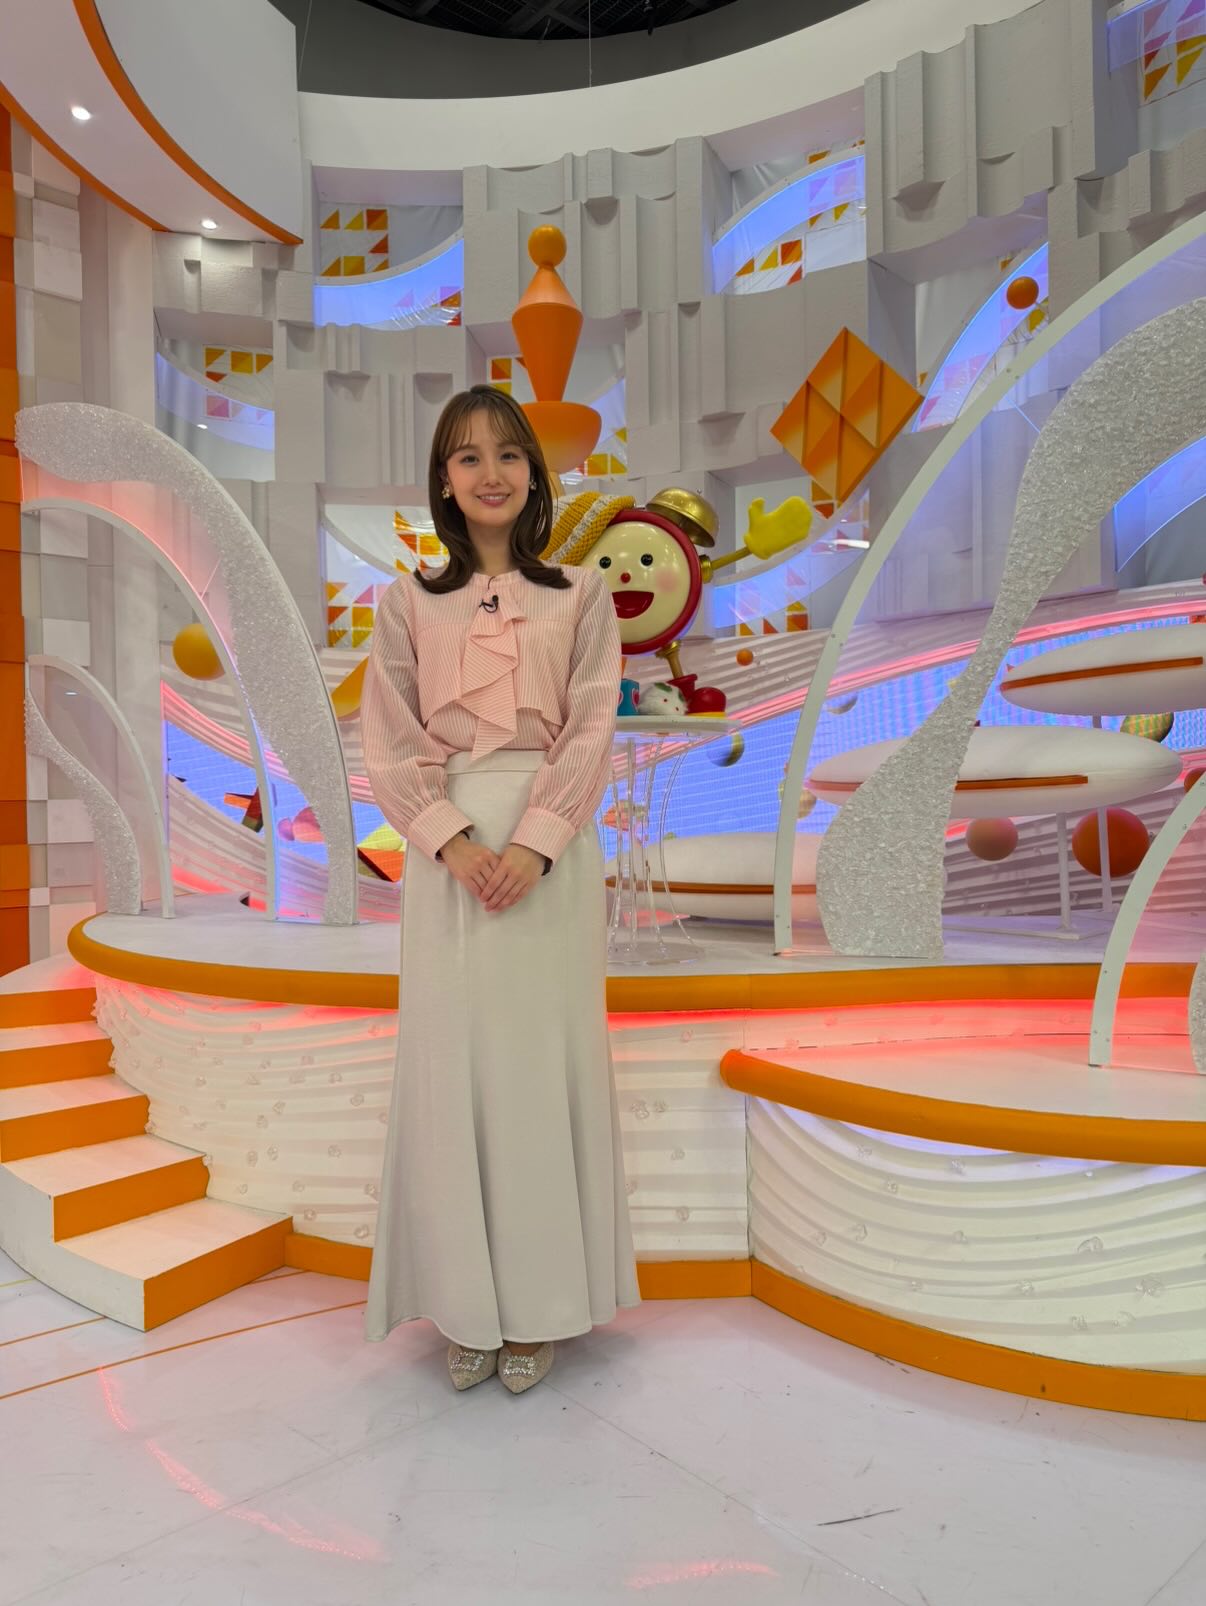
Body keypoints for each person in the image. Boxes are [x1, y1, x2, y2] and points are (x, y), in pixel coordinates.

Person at [360, 383, 640, 1394]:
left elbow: (594, 725)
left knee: (535, 1071)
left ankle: (542, 1304)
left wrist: (535, 844)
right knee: (455, 1073)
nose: (491, 472)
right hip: (449, 860)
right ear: (444, 479)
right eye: (469, 455)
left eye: (509, 454)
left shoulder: (582, 595)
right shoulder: (406, 603)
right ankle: (468, 1305)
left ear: (533, 473)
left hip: (547, 859)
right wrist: (449, 842)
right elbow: (388, 739)